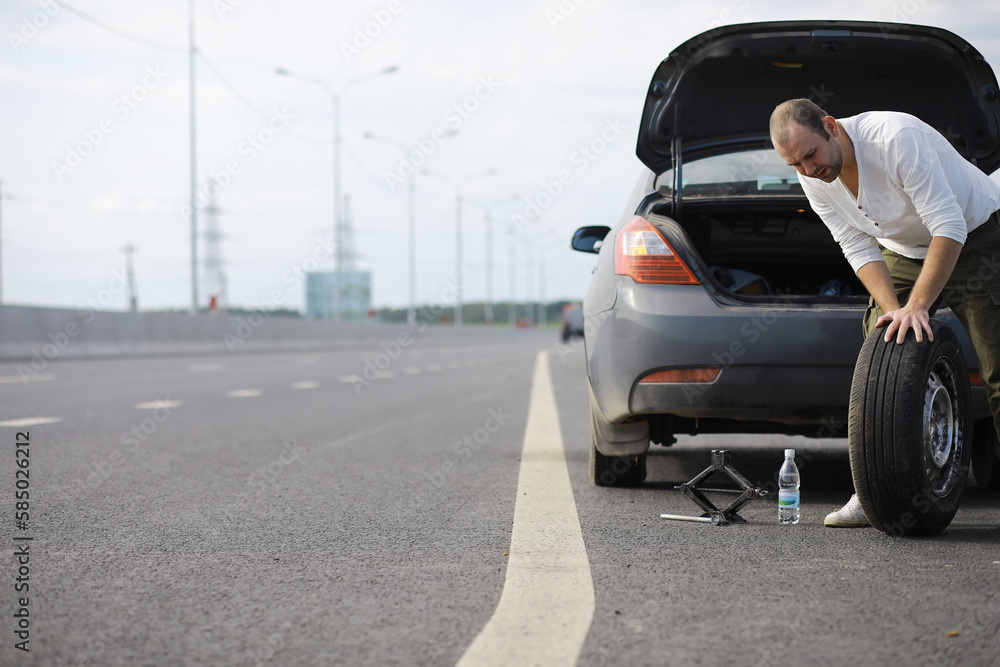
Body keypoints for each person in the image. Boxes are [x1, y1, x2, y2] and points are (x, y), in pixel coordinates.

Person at [769, 99, 1000, 527]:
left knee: (997, 372)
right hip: (906, 250)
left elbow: (949, 225)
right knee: (883, 347)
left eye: (810, 155)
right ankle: (875, 490)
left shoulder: (895, 139)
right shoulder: (813, 175)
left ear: (830, 126)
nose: (806, 170)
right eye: (794, 164)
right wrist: (897, 311)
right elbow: (855, 244)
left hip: (978, 233)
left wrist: (919, 306)